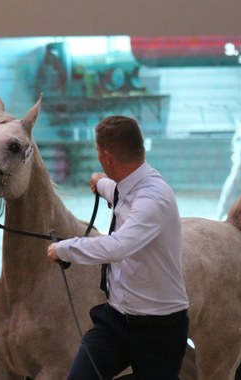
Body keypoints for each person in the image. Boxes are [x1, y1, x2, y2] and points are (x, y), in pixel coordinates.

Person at [47, 115, 189, 380]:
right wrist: (100, 183)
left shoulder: (152, 199)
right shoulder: (129, 187)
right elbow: (120, 192)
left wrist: (65, 249)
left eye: (99, 154)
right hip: (115, 322)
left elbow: (117, 247)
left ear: (108, 157)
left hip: (159, 330)